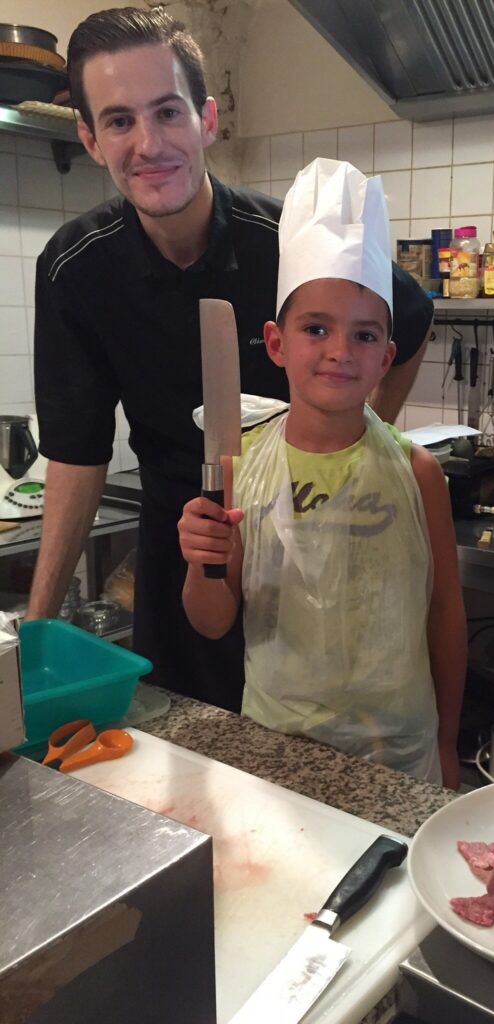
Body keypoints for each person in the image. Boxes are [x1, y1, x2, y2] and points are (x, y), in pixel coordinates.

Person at [26, 8, 433, 712]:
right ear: (90, 139)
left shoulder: (289, 243)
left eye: (168, 112)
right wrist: (35, 635)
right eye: (119, 121)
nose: (149, 144)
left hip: (302, 553)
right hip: (176, 558)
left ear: (207, 120)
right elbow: (76, 457)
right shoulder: (75, 270)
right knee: (191, 763)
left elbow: (413, 316)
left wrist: (353, 449)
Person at [177, 159, 466, 787]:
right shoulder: (238, 466)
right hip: (274, 756)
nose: (340, 351)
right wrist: (201, 560)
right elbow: (213, 620)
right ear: (277, 344)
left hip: (399, 759)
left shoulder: (417, 475)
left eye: (364, 336)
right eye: (316, 329)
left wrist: (447, 744)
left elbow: (445, 614)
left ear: (387, 358)